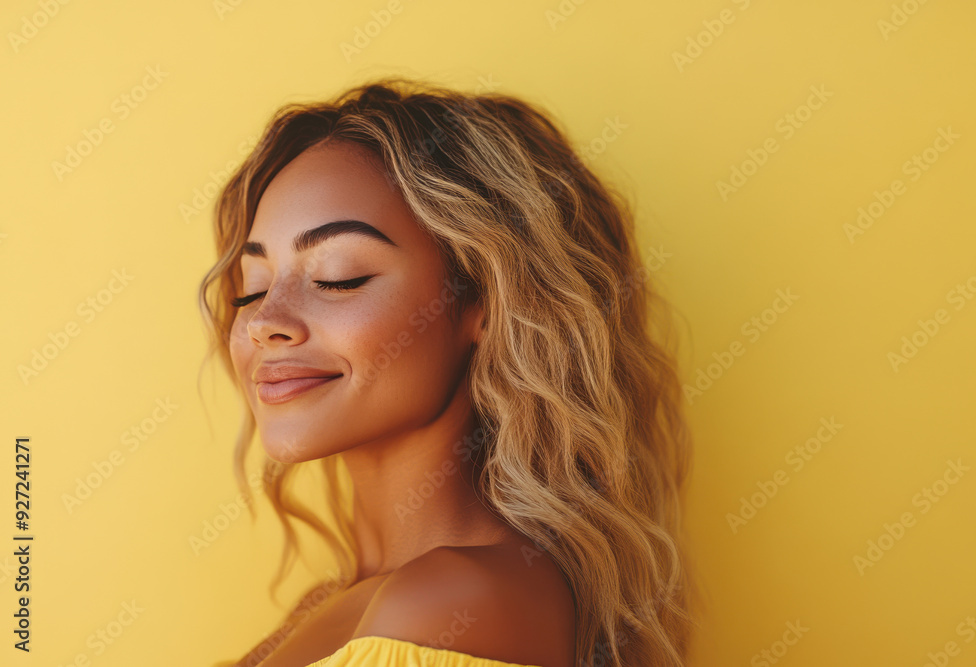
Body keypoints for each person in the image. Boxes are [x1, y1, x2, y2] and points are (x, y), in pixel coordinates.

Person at [199, 76, 696, 667]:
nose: (264, 322)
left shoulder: (451, 605)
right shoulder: (338, 605)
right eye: (250, 290)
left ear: (484, 302)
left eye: (338, 276)